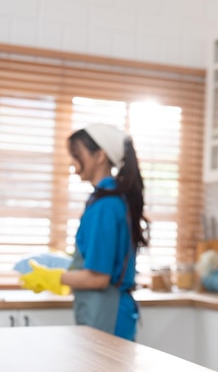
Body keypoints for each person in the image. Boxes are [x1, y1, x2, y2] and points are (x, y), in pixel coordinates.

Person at [20, 123, 150, 341]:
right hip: (106, 312)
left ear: (99, 155)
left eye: (76, 155)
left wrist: (53, 277)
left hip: (108, 314)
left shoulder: (105, 205)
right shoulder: (106, 199)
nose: (72, 162)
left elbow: (98, 278)